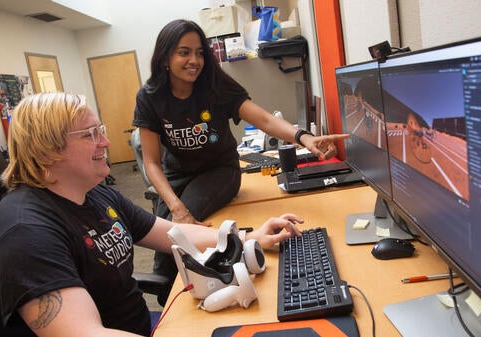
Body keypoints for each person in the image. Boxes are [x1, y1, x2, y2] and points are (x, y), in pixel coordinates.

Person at [0, 92, 303, 337]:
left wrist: (250, 237)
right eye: (90, 134)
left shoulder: (94, 193)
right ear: (48, 151)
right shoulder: (25, 234)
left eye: (99, 130)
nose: (105, 141)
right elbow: (86, 334)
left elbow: (170, 233)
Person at [132, 19, 349, 302]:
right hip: (176, 174)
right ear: (164, 57)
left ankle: (186, 294)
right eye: (184, 52)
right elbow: (150, 162)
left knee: (184, 225)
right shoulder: (150, 96)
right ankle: (170, 297)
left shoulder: (215, 84)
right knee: (164, 233)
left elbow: (265, 119)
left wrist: (304, 137)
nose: (194, 60)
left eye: (199, 52)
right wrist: (174, 204)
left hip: (219, 171)